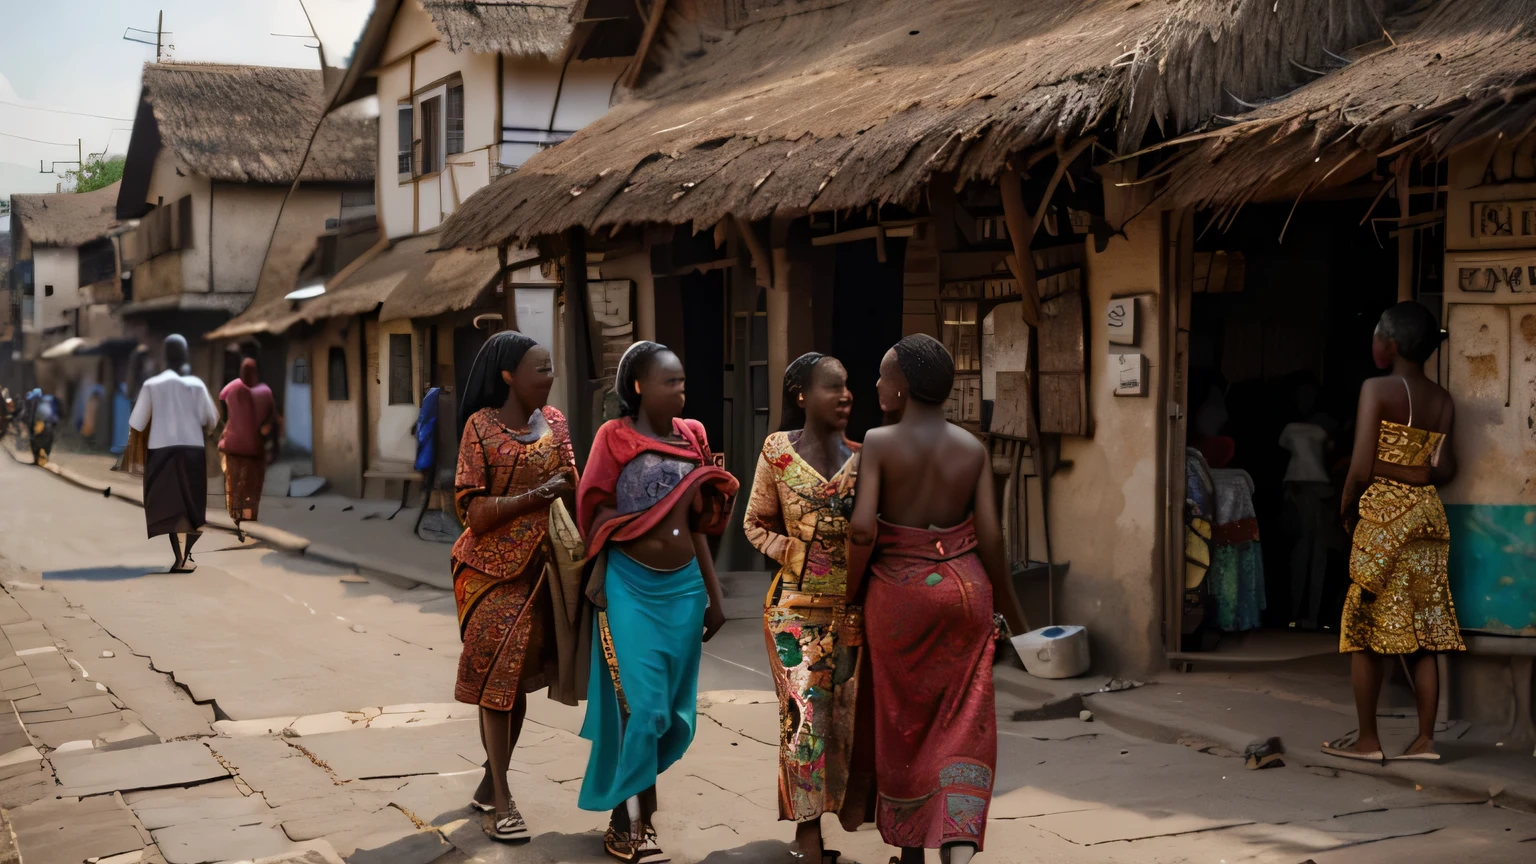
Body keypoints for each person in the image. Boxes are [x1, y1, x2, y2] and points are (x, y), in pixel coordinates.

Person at [846, 334, 1010, 864]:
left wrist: (849, 597)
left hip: (901, 595)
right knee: (965, 721)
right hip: (967, 591)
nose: (875, 385)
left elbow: (864, 532)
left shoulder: (878, 442)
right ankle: (958, 846)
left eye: (881, 376)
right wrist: (1007, 607)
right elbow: (991, 535)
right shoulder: (973, 449)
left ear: (903, 388)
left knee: (903, 723)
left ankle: (911, 851)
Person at [576, 341, 738, 864]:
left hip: (685, 588)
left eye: (683, 381)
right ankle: (626, 820)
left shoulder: (693, 437)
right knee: (640, 707)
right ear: (640, 386)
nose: (681, 389)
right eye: (671, 381)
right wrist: (599, 569)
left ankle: (641, 809)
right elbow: (594, 511)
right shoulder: (614, 437)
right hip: (630, 584)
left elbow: (698, 527)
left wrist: (714, 597)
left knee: (668, 713)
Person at [743, 352, 872, 862]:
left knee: (842, 723)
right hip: (791, 611)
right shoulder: (777, 452)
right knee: (804, 721)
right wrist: (796, 552)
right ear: (801, 395)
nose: (845, 396)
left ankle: (836, 817)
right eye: (832, 387)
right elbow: (755, 524)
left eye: (848, 387)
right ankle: (807, 833)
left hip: (851, 613)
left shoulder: (866, 457)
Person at [450, 332, 578, 843]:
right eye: (539, 369)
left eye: (550, 368)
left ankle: (489, 779)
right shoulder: (479, 427)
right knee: (498, 680)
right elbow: (474, 512)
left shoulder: (558, 422)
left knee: (519, 680)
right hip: (488, 571)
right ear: (509, 376)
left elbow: (575, 479)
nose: (548, 377)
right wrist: (542, 492)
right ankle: (503, 801)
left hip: (549, 566)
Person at [1323, 301, 1462, 764]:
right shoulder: (1442, 399)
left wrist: (1345, 509)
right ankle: (1425, 741)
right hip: (1428, 518)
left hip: (1383, 515)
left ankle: (1368, 741)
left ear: (1392, 345)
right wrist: (1416, 471)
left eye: (1378, 334)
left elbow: (1360, 465)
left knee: (1365, 631)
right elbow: (1442, 470)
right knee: (1422, 629)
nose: (1374, 342)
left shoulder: (1377, 388)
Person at [129, 335, 219, 573]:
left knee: (170, 507)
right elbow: (211, 420)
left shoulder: (151, 385)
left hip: (161, 451)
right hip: (193, 451)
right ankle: (185, 556)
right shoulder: (197, 386)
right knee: (192, 506)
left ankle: (180, 557)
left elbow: (136, 422)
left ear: (165, 357)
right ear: (185, 356)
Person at [218, 358, 279, 541]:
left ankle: (235, 518)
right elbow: (272, 420)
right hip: (253, 448)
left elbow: (222, 397)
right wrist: (273, 445)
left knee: (233, 483)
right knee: (252, 485)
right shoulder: (265, 392)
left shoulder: (233, 386)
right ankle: (249, 518)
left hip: (232, 445)